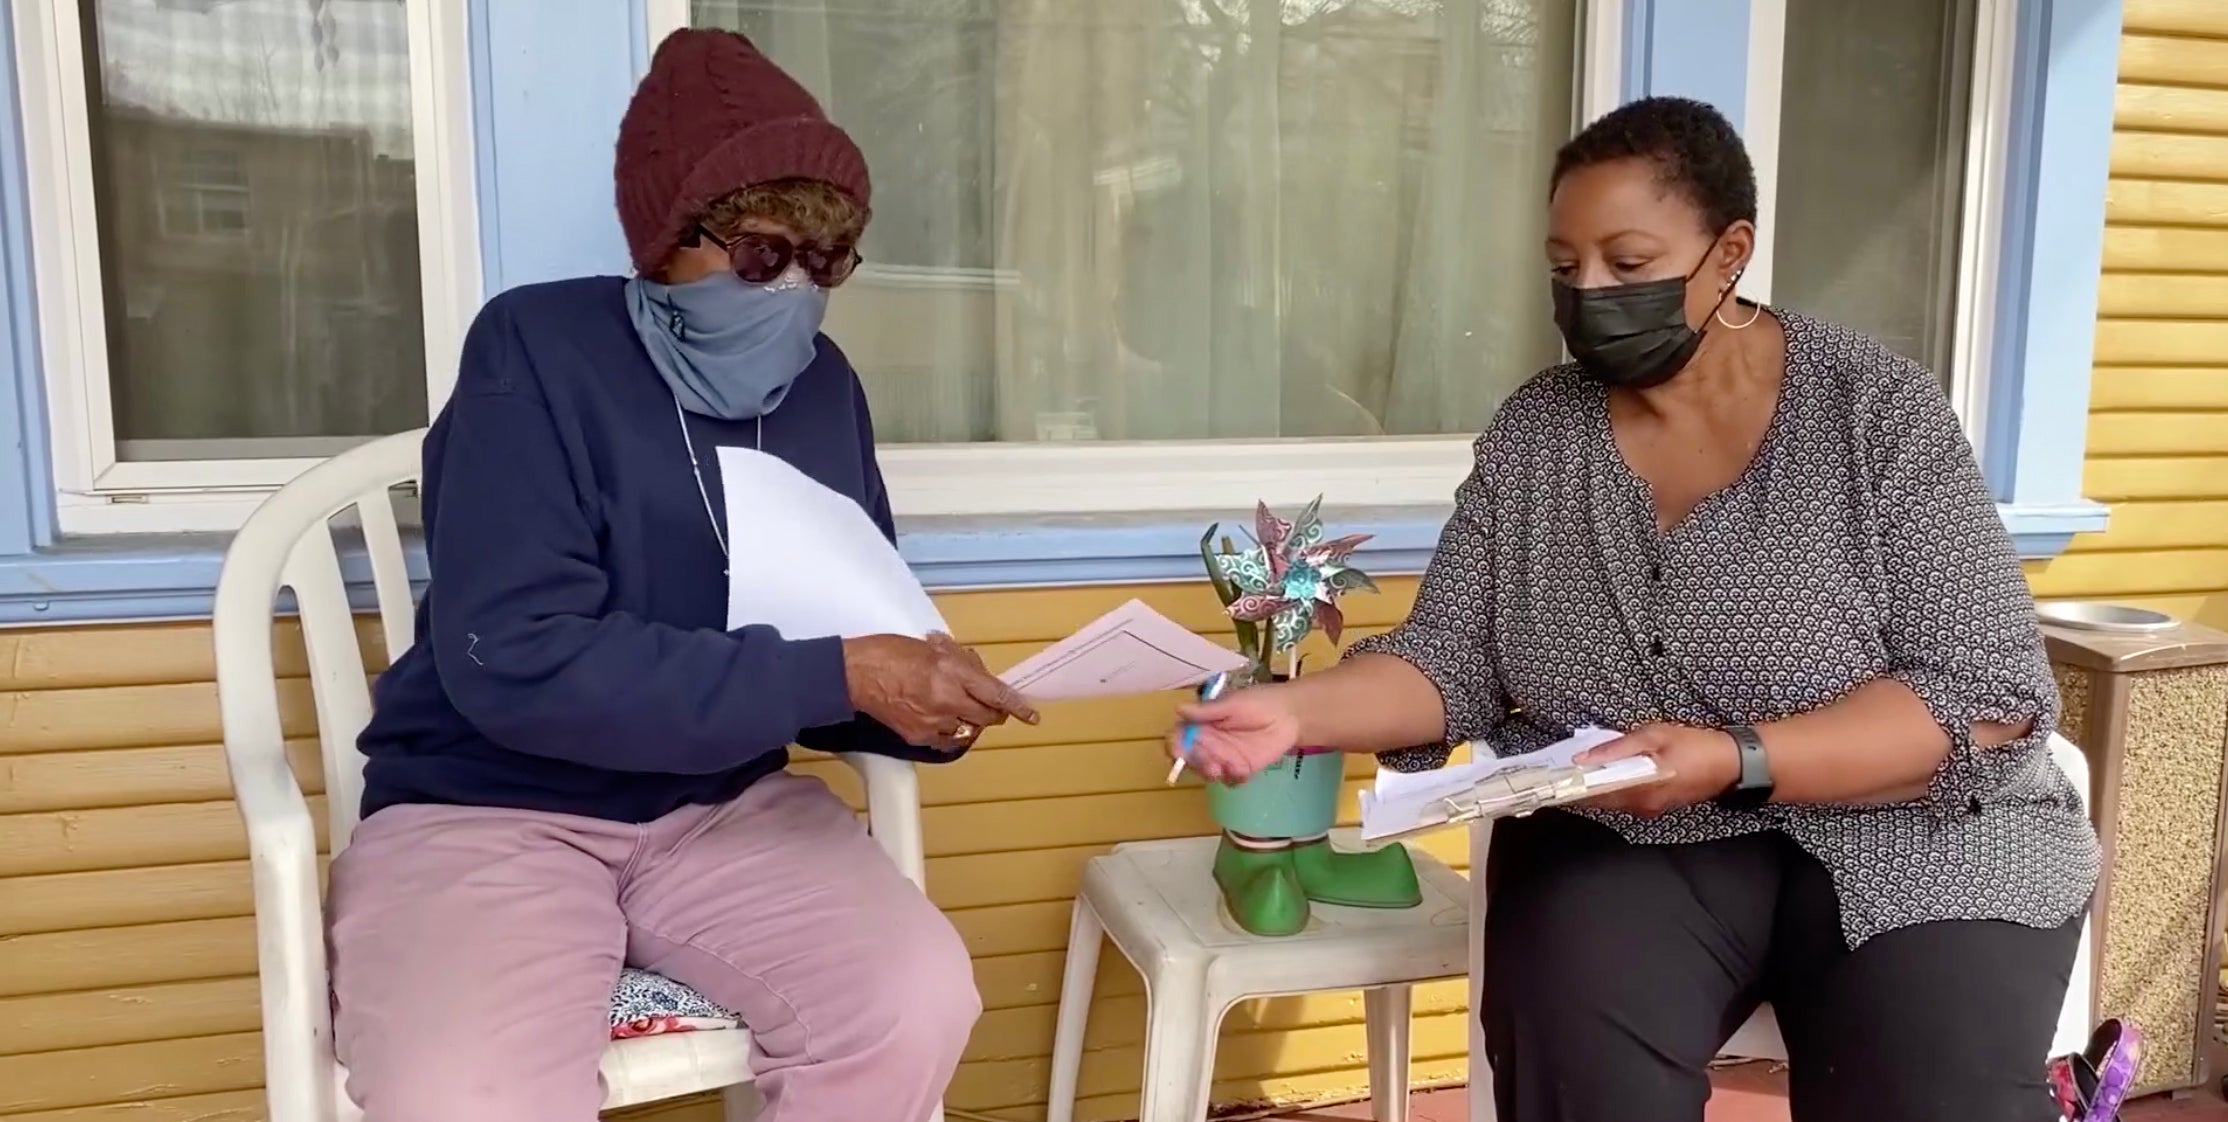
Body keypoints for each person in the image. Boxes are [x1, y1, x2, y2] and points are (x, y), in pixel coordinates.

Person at [1169, 96, 2098, 1122]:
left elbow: (1981, 694)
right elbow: (1450, 659)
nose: (1589, 293)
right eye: (1563, 268)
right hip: (1636, 846)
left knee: (1933, 1096)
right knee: (1577, 1056)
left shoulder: (1871, 411)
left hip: (1921, 837)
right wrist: (1294, 717)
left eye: (1625, 259)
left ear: (1727, 253)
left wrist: (1734, 758)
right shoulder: (1535, 434)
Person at [329, 29, 1034, 1122]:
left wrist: (915, 708)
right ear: (667, 238)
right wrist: (838, 675)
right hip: (488, 806)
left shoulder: (821, 386)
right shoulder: (535, 349)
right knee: (461, 1094)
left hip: (723, 807)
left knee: (910, 1003)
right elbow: (514, 656)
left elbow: (840, 633)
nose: (796, 291)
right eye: (761, 256)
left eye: (827, 261)